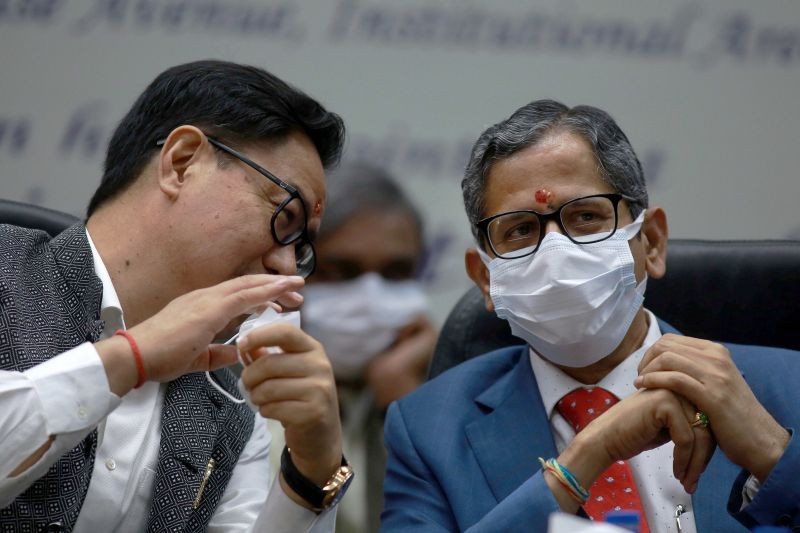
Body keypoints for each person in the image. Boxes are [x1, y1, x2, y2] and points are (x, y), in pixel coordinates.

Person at [381, 99, 799, 532]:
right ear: (486, 279)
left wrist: (773, 457)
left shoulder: (789, 387)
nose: (554, 253)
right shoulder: (426, 432)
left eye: (585, 216)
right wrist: (588, 455)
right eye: (521, 230)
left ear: (651, 242)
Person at [0, 60, 354, 532]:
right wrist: (131, 358)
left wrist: (313, 471)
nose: (287, 268)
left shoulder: (230, 408)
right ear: (183, 161)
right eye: (282, 219)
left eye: (301, 249)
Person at [301, 162, 436, 533]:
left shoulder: (450, 390)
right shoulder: (232, 390)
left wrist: (409, 410)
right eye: (341, 271)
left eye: (395, 272)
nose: (371, 295)